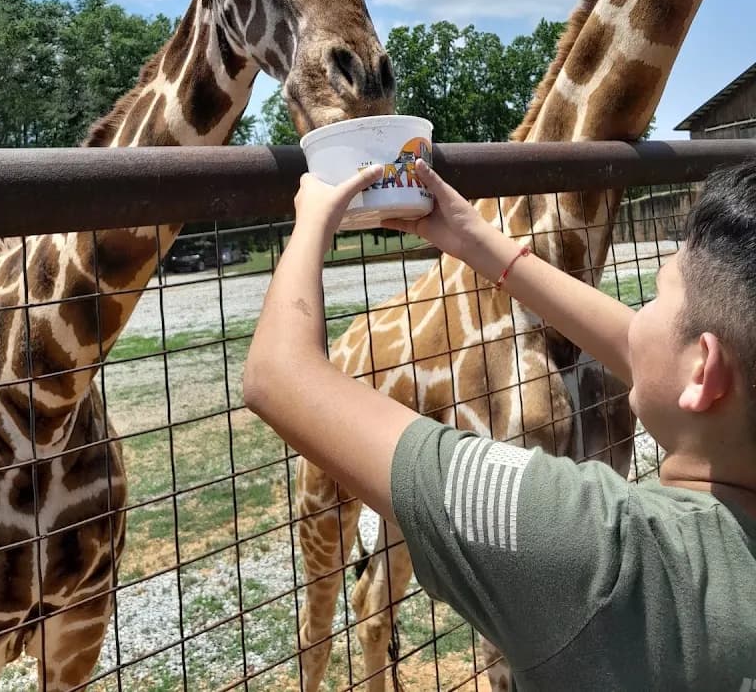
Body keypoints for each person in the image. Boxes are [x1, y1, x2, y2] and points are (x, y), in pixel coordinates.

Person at [243, 158, 756, 690]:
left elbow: (276, 375)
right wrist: (476, 241)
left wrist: (311, 224)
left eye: (655, 295)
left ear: (704, 372)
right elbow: (649, 351)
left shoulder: (586, 545)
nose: (633, 320)